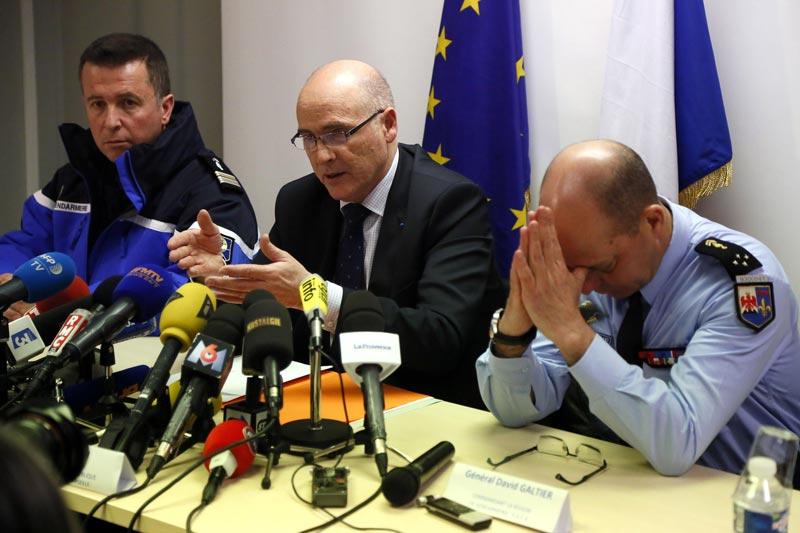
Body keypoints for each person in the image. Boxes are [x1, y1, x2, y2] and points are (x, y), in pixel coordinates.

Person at [169, 59, 504, 408]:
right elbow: (263, 304)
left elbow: (441, 339)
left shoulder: (450, 203)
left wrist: (317, 297)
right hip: (321, 399)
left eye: (337, 134)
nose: (322, 155)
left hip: (423, 405)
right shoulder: (300, 201)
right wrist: (223, 274)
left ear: (388, 125)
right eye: (309, 138)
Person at [477, 139, 800, 478]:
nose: (584, 287)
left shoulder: (741, 284)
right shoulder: (589, 262)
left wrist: (572, 334)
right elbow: (516, 411)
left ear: (653, 222)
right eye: (572, 268)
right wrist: (514, 330)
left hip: (745, 494)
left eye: (604, 266)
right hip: (630, 477)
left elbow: (678, 443)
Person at [0, 33, 259, 320]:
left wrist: (58, 312)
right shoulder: (71, 180)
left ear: (165, 108)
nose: (111, 122)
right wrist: (13, 287)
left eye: (128, 103)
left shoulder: (211, 192)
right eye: (98, 104)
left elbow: (194, 296)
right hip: (63, 354)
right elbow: (22, 245)